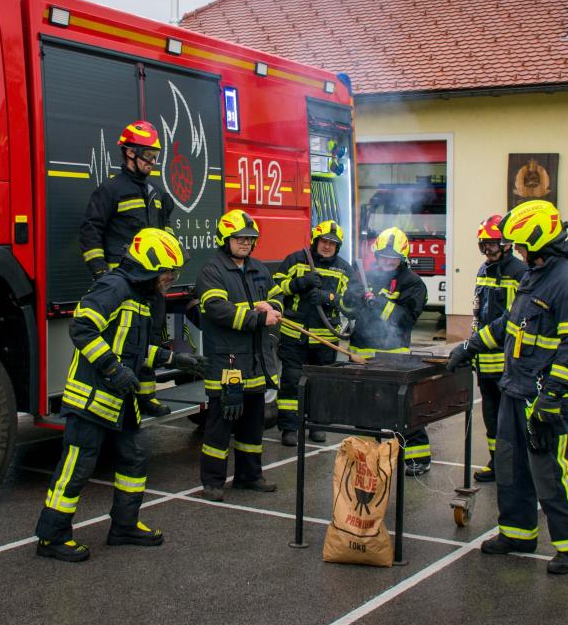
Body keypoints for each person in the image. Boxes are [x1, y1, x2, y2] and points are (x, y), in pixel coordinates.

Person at [35, 228, 205, 562]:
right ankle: (52, 536)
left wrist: (176, 359)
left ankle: (124, 526)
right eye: (168, 272)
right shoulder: (114, 287)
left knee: (135, 456)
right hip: (90, 399)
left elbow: (135, 351)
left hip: (120, 400)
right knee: (77, 467)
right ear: (149, 265)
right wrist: (113, 368)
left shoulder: (140, 296)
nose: (170, 279)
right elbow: (82, 328)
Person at [447, 200, 568, 575]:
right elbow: (508, 324)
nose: (520, 252)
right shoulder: (535, 275)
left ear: (540, 242)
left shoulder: (566, 282)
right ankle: (517, 534)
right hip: (514, 388)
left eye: (524, 246)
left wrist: (552, 396)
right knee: (511, 468)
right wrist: (469, 346)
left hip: (542, 397)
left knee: (550, 472)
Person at [79, 120, 176, 417]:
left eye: (155, 155)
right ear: (129, 153)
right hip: (123, 285)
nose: (152, 161)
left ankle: (146, 396)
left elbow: (164, 234)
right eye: (147, 155)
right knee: (124, 341)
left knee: (150, 337)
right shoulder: (110, 190)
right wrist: (101, 272)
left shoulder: (156, 193)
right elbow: (91, 232)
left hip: (151, 284)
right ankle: (124, 396)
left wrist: (168, 269)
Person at [195, 209, 284, 501]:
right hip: (228, 363)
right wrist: (257, 316)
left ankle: (249, 476)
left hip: (255, 362)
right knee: (219, 427)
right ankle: (212, 482)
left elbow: (277, 296)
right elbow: (216, 309)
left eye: (250, 238)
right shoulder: (212, 271)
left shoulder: (258, 268)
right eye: (239, 238)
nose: (246, 243)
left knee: (252, 425)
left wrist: (273, 307)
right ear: (225, 239)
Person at [347, 227, 431, 476]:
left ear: (402, 257)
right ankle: (367, 457)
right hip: (361, 355)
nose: (386, 261)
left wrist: (379, 303)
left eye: (392, 257)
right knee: (363, 409)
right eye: (383, 256)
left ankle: (417, 458)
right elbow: (346, 308)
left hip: (394, 357)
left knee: (402, 408)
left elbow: (406, 319)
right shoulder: (365, 276)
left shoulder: (412, 283)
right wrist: (353, 299)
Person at [271, 220, 355, 447]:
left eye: (332, 243)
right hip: (294, 335)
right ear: (315, 241)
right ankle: (289, 427)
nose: (327, 246)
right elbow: (275, 286)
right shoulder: (296, 260)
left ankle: (318, 425)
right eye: (324, 241)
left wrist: (329, 298)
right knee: (291, 380)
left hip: (325, 340)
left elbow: (352, 305)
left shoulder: (344, 269)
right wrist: (299, 283)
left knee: (321, 384)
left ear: (338, 247)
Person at [466, 214, 529, 483]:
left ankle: (514, 466)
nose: (488, 249)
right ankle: (497, 463)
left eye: (492, 244)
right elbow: (478, 312)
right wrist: (472, 346)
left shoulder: (519, 272)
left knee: (510, 420)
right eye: (484, 244)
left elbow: (516, 318)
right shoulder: (483, 270)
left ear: (506, 244)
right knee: (491, 418)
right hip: (485, 361)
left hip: (508, 362)